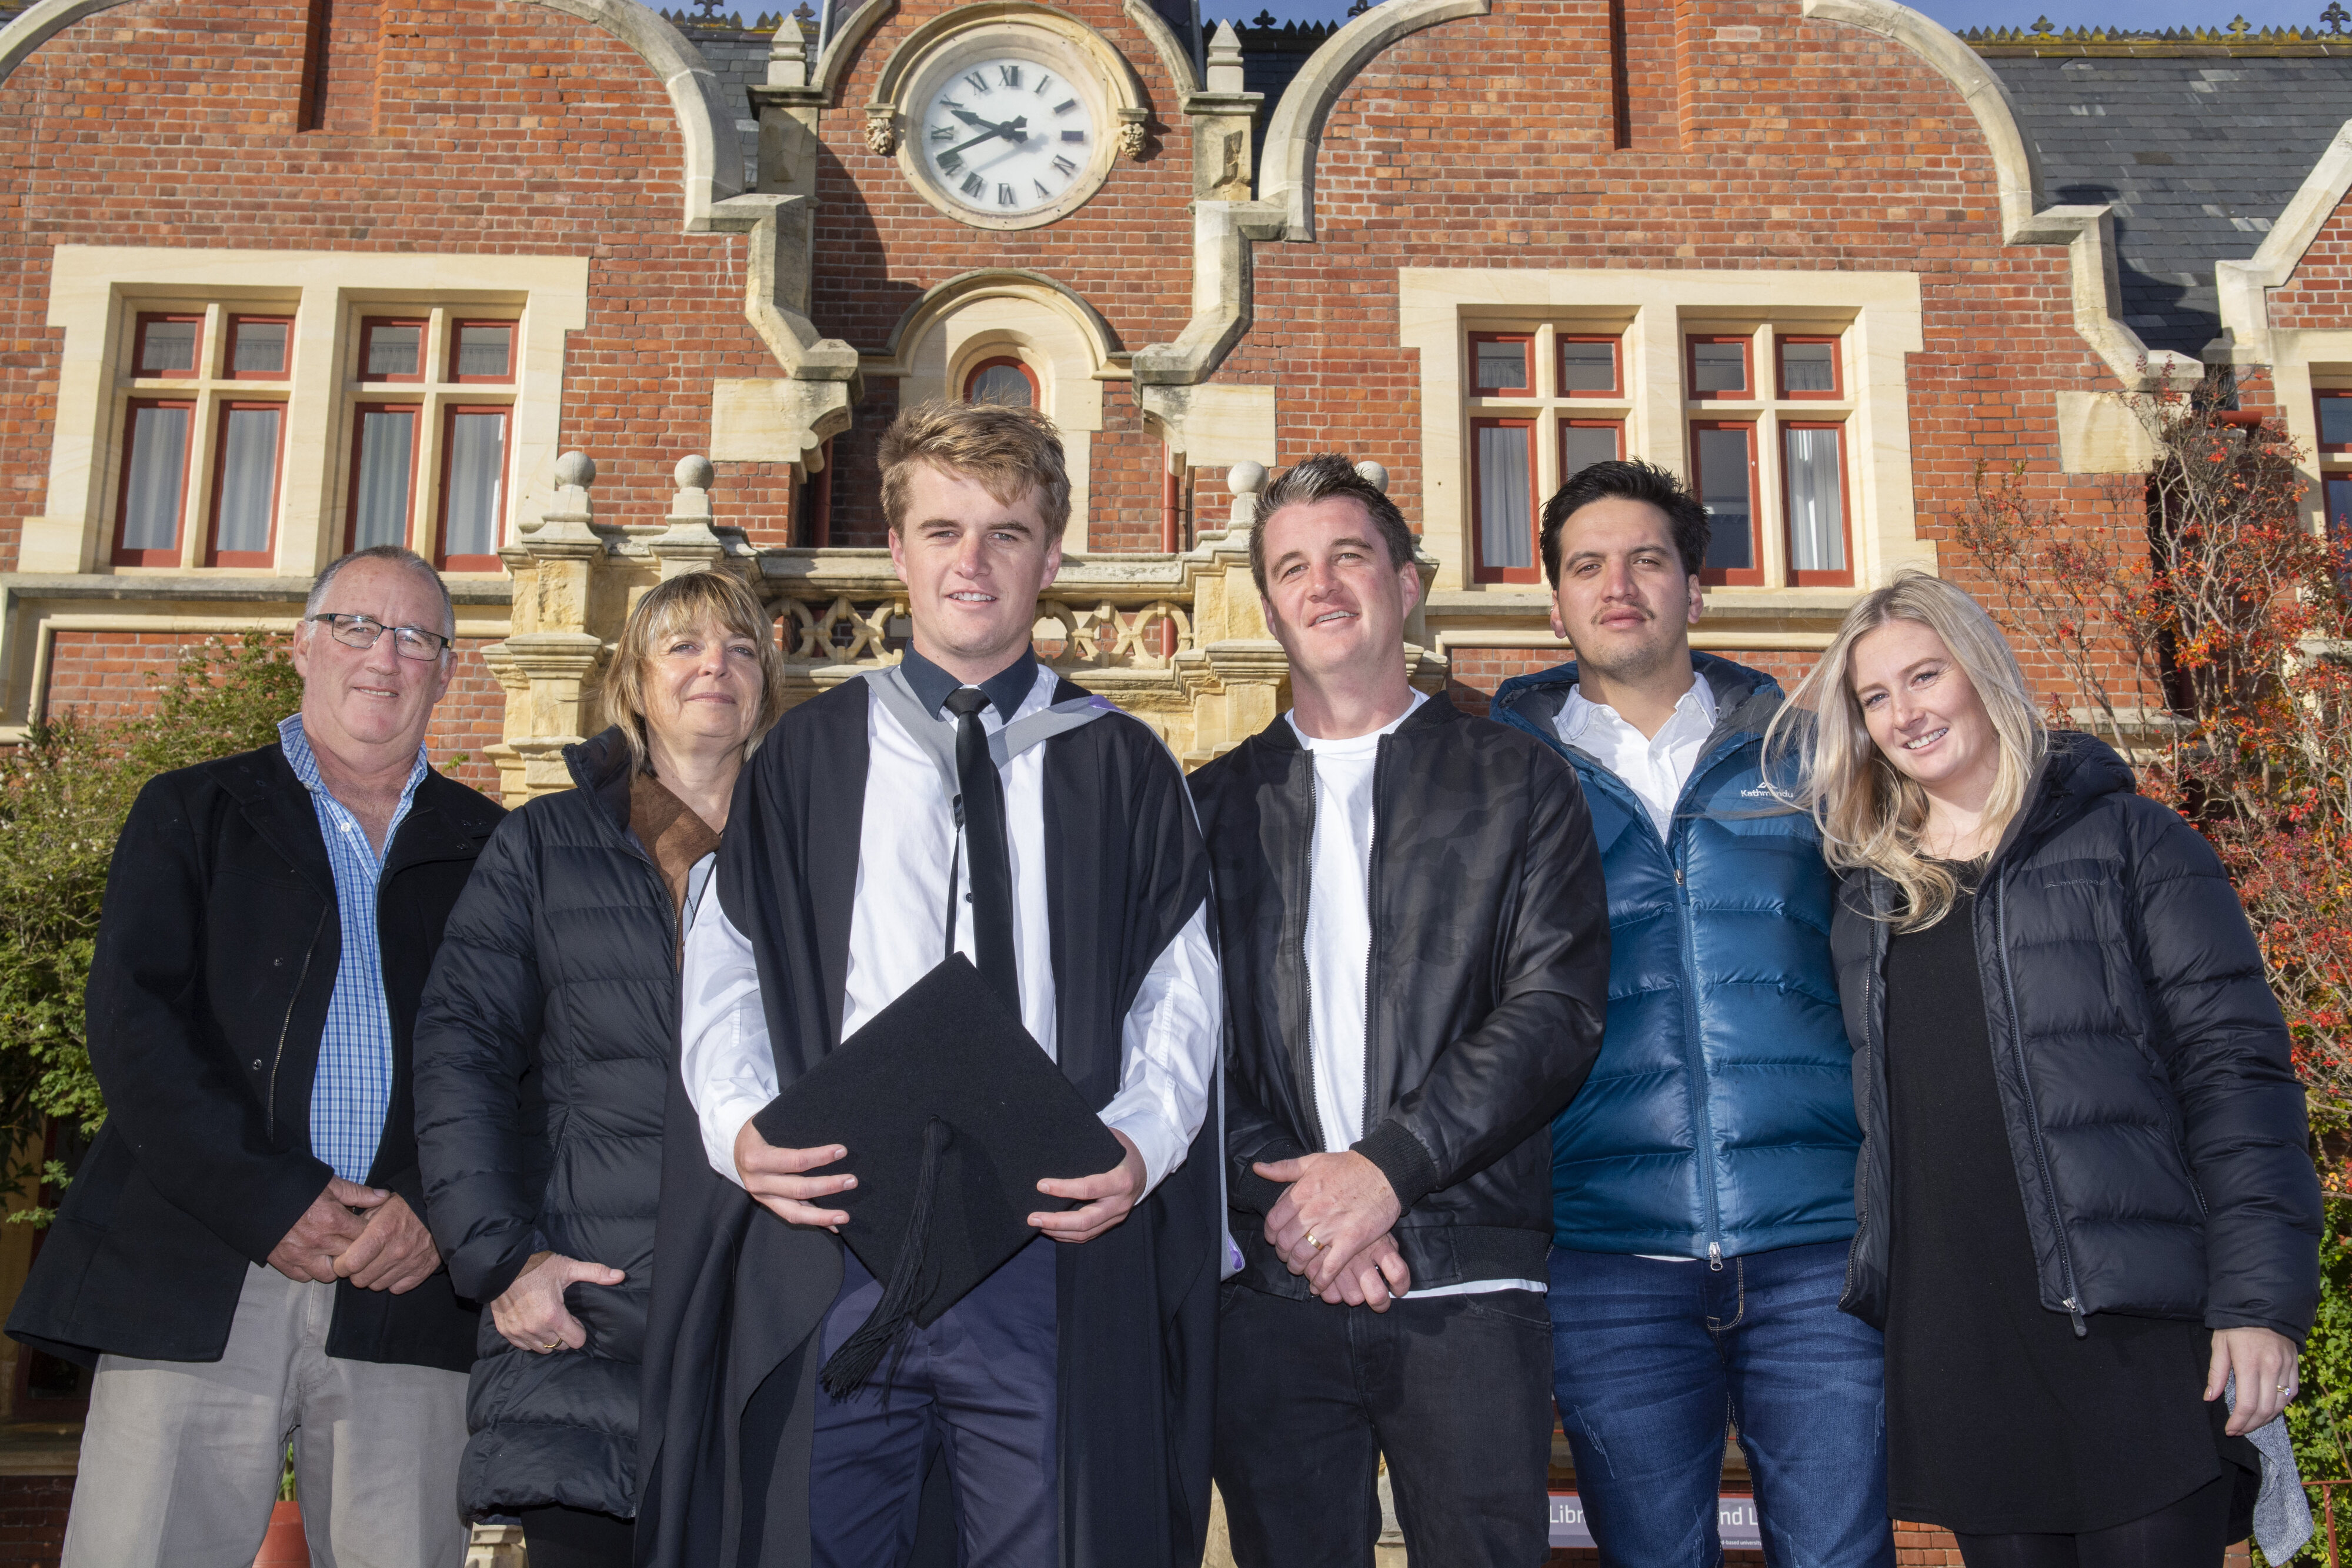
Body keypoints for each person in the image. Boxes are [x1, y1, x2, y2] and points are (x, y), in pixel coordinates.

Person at [635, 400, 1223, 1568]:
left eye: (1005, 533)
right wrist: (738, 1129)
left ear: (1050, 558)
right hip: (839, 1244)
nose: (972, 560)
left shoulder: (1120, 765)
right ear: (897, 553)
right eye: (943, 530)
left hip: (1043, 1260)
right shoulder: (806, 757)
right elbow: (727, 967)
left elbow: (1181, 990)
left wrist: (1139, 1148)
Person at [1775, 571, 2321, 1568]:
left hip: (2134, 1340)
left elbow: (2239, 1077)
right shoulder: (1867, 898)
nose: (1905, 713)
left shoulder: (2131, 840)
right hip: (1966, 1346)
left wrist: (2258, 1304)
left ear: (1981, 671)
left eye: (1925, 675)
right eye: (1876, 697)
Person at [10, 545, 502, 1568]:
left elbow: (530, 1066)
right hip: (198, 1266)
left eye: (417, 636)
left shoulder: (498, 850)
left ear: (449, 670)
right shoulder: (194, 811)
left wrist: (434, 1207)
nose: (385, 656)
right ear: (303, 647)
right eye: (357, 627)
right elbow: (135, 1031)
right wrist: (270, 1200)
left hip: (406, 1286)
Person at [1190, 453, 1610, 1568]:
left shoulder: (1519, 780)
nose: (1321, 585)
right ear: (1268, 601)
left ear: (1407, 583)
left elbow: (1555, 1010)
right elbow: (1175, 1043)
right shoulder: (1206, 805)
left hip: (1467, 1278)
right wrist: (1295, 1204)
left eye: (1348, 556)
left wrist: (1384, 1172)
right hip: (1273, 1285)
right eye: (1291, 567)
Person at [1487, 460, 1892, 1567]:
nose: (1619, 585)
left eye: (1647, 559)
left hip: (1815, 1248)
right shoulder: (1492, 771)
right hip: (1605, 1253)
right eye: (1588, 565)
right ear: (1554, 596)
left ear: (1695, 589)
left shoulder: (1809, 755)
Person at [411, 571, 787, 1568]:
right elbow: (462, 1052)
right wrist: (503, 1259)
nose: (717, 664)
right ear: (633, 684)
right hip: (587, 1313)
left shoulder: (821, 852)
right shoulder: (543, 844)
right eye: (685, 646)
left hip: (778, 1314)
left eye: (743, 648)